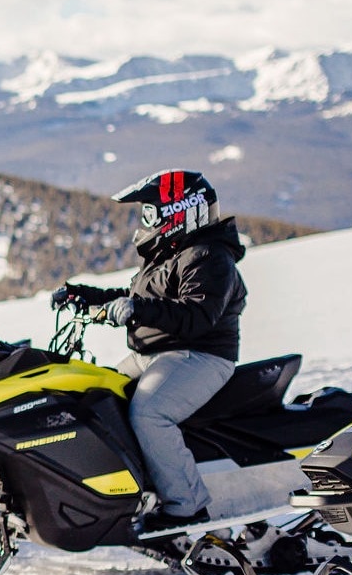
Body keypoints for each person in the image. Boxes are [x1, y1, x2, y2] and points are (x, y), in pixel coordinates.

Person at [54, 169, 247, 530]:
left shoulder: (208, 256)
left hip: (199, 355)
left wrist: (138, 310)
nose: (144, 222)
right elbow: (138, 298)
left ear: (179, 213)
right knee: (99, 398)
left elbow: (198, 316)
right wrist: (85, 295)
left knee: (149, 414)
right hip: (154, 354)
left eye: (150, 213)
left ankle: (187, 507)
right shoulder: (168, 253)